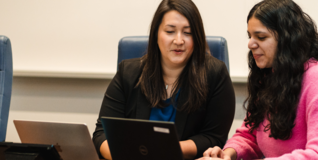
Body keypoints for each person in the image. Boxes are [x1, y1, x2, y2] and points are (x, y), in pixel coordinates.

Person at [199, 0, 318, 160]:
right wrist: (228, 153)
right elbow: (249, 135)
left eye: (261, 37)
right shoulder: (269, 76)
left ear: (287, 40)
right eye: (250, 36)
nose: (250, 44)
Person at [92, 0, 236, 159]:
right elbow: (102, 134)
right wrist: (129, 154)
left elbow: (213, 137)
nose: (179, 41)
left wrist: (162, 149)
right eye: (170, 31)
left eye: (188, 33)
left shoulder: (215, 74)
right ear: (156, 34)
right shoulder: (128, 73)